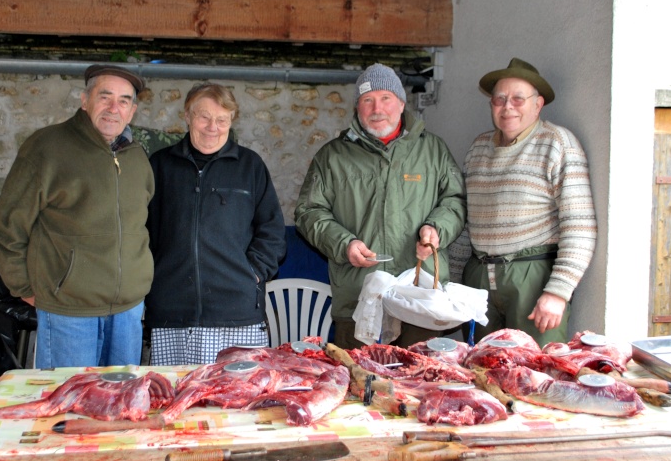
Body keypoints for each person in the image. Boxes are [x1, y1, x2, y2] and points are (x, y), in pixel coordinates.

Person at [0, 64, 154, 368]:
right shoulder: (47, 148)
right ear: (84, 100)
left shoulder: (137, 157)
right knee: (69, 406)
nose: (113, 108)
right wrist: (24, 288)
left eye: (123, 101)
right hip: (68, 312)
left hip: (128, 311)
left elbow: (140, 225)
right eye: (104, 97)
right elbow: (8, 227)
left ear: (132, 111)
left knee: (119, 405)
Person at [295, 63, 466, 349]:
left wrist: (436, 229)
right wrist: (344, 244)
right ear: (357, 108)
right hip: (360, 299)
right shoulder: (332, 156)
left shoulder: (433, 150)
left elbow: (454, 201)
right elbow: (308, 212)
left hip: (419, 299)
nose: (377, 108)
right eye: (367, 100)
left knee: (422, 387)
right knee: (362, 386)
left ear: (401, 103)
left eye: (385, 98)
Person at [145, 83, 286, 365]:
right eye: (204, 117)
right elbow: (142, 230)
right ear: (187, 116)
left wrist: (253, 273)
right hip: (173, 314)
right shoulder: (160, 166)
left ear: (231, 121)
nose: (213, 127)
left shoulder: (250, 166)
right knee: (176, 400)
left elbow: (272, 231)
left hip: (237, 315)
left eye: (222, 119)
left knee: (240, 403)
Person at [462, 57, 597, 347]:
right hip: (479, 279)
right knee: (479, 367)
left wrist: (558, 292)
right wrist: (453, 283)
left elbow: (580, 226)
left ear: (538, 105)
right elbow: (466, 220)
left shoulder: (558, 143)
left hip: (533, 280)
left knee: (533, 371)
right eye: (499, 99)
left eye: (518, 99)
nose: (507, 106)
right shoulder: (478, 147)